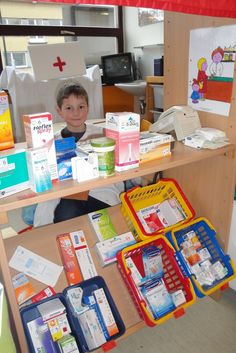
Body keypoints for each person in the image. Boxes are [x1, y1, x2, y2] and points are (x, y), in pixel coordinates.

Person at [31, 80, 124, 226]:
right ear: (59, 111)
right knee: (63, 213)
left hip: (99, 192)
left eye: (81, 107)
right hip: (66, 194)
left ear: (88, 108)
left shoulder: (103, 134)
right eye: (69, 108)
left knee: (73, 213)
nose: (76, 113)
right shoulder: (51, 140)